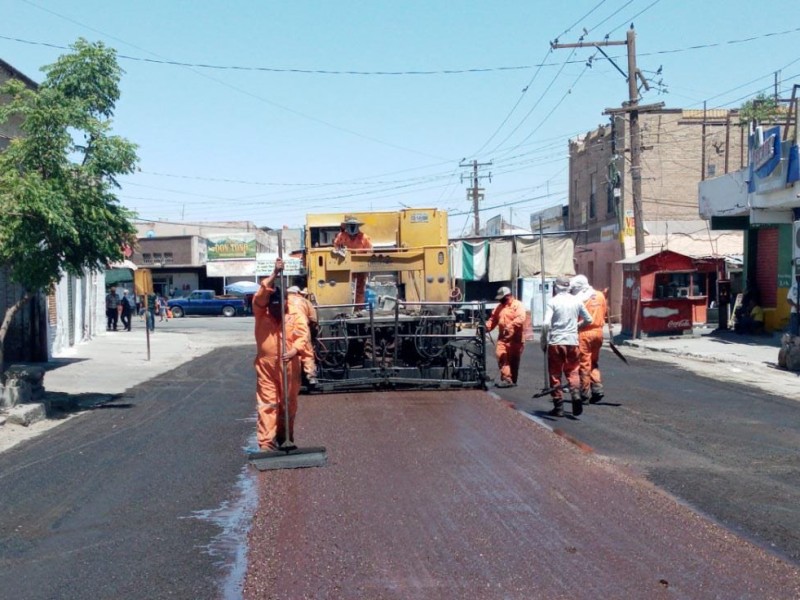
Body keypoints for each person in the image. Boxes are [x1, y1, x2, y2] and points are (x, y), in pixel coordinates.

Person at [252, 259, 311, 451]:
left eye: (280, 306)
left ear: (286, 303)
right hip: (266, 366)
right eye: (273, 307)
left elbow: (303, 336)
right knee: (268, 403)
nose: (276, 310)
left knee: (288, 402)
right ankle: (266, 443)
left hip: (289, 364)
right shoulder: (262, 313)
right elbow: (260, 296)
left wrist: (294, 350)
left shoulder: (294, 315)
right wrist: (274, 273)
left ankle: (286, 437)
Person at [541, 276, 593, 418]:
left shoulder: (553, 301)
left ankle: (558, 407)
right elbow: (589, 319)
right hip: (572, 341)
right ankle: (575, 394)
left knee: (555, 374)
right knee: (573, 371)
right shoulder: (576, 301)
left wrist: (543, 341)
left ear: (556, 287)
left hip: (556, 342)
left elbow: (546, 323)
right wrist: (576, 326)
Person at [570, 275, 607, 404]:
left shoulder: (580, 299)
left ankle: (584, 393)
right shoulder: (600, 295)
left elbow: (576, 317)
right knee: (594, 361)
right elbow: (604, 312)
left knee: (584, 364)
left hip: (585, 332)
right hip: (598, 332)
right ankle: (597, 388)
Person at [485, 286, 526, 388]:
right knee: (501, 355)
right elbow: (493, 319)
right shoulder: (499, 307)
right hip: (503, 338)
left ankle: (512, 380)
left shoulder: (517, 305)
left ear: (508, 296)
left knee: (513, 360)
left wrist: (510, 325)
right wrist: (485, 328)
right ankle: (506, 378)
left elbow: (521, 318)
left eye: (502, 298)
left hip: (516, 338)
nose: (500, 300)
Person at [333, 215, 373, 305]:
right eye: (350, 225)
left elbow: (370, 251)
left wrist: (367, 265)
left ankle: (359, 307)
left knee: (360, 287)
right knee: (345, 286)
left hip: (361, 265)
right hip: (346, 265)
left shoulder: (364, 237)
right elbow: (336, 246)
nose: (352, 227)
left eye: (353, 225)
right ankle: (346, 306)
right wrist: (340, 251)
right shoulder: (341, 236)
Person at [287, 285, 319, 387]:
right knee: (307, 352)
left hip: (287, 329)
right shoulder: (304, 301)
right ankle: (311, 377)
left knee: (288, 351)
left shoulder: (284, 300)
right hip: (301, 327)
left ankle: (289, 377)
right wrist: (314, 333)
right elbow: (313, 319)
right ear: (298, 293)